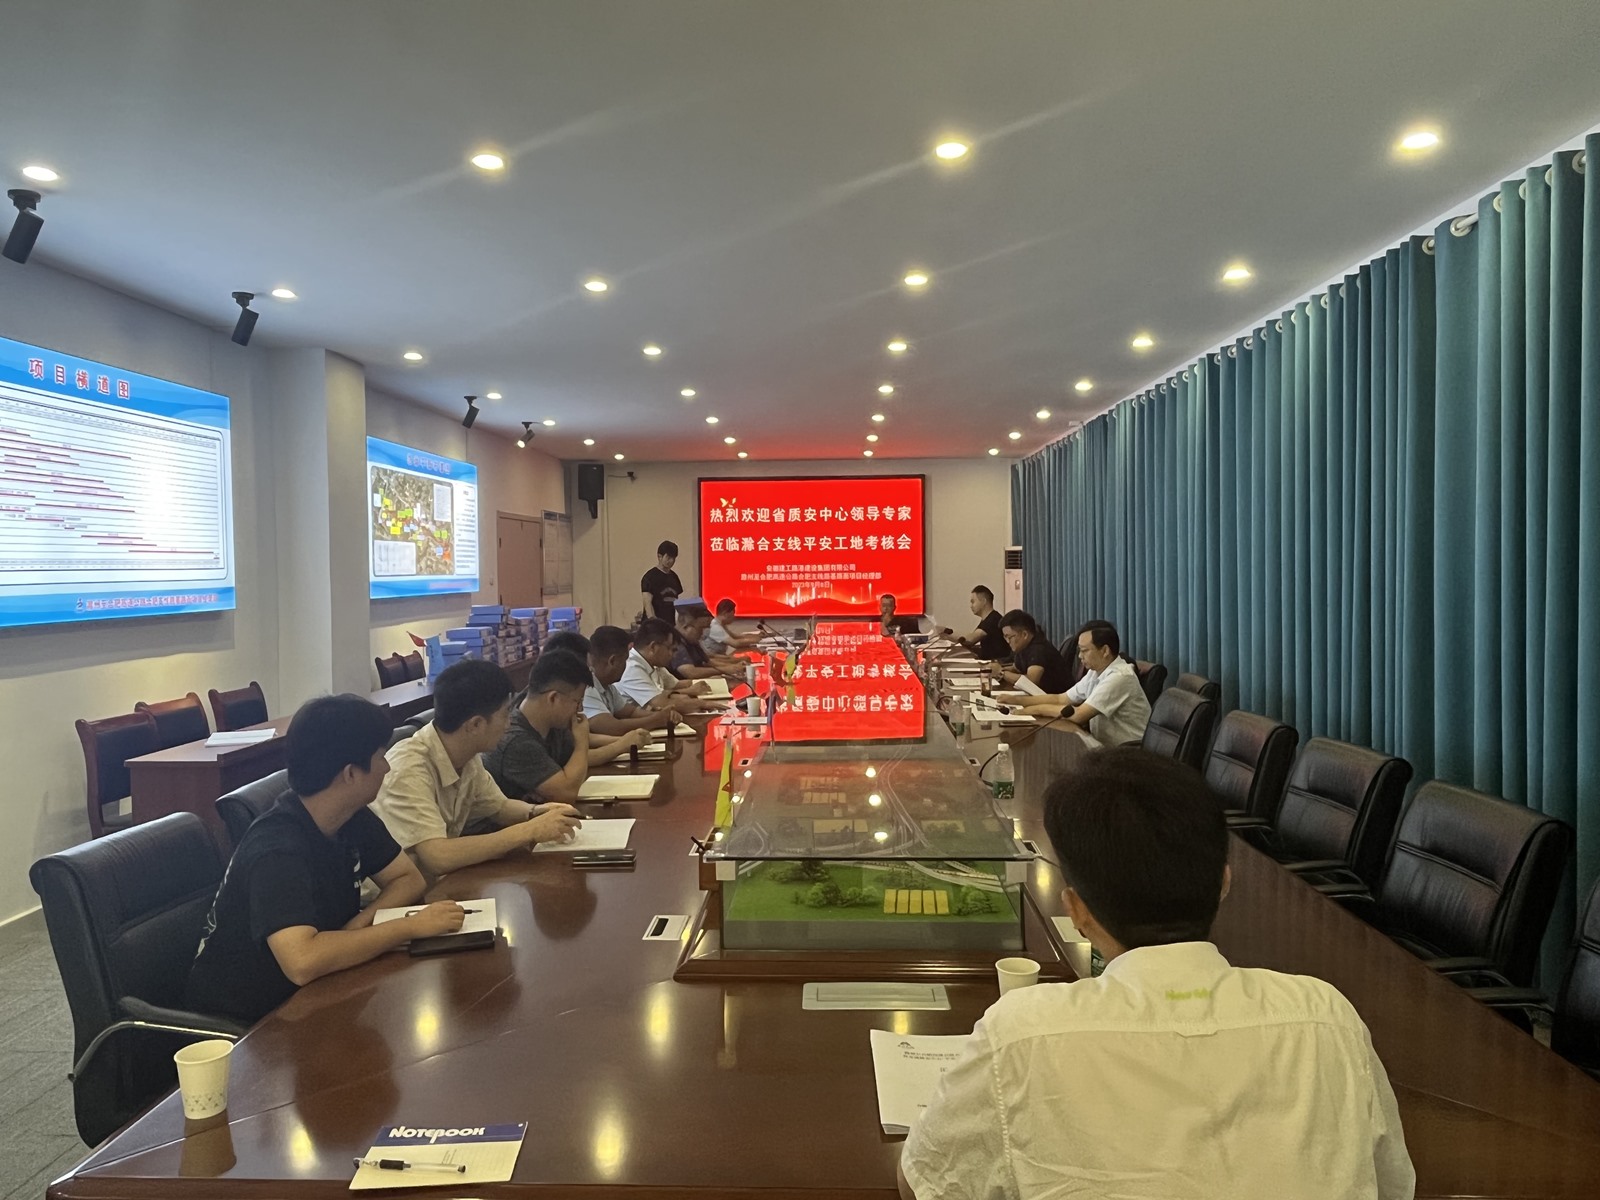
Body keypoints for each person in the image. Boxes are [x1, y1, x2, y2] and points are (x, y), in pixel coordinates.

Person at [898, 749, 1415, 1200]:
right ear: (1224, 883)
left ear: (1077, 912)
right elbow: (1392, 1185)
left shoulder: (1020, 1035)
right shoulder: (1327, 1017)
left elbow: (923, 1182)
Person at [185, 695, 466, 1025]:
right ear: (351, 774)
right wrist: (408, 927)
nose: (387, 767)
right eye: (380, 757)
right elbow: (302, 962)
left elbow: (408, 879)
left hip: (315, 992)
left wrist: (356, 928)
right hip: (246, 1024)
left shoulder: (349, 815)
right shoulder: (276, 848)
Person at [371, 659, 581, 880]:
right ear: (475, 725)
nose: (509, 724)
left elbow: (498, 807)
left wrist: (536, 812)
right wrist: (529, 830)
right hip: (396, 893)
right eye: (505, 714)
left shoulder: (466, 754)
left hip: (440, 883)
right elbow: (437, 856)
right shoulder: (408, 769)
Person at [483, 650, 649, 801]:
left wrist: (622, 742)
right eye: (577, 701)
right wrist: (583, 740)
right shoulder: (516, 740)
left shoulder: (552, 722)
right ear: (554, 698)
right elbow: (566, 793)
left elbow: (579, 759)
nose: (580, 709)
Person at [1019, 619, 1153, 746]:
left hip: (1127, 752)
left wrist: (1034, 710)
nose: (1079, 656)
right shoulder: (1096, 671)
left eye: (1084, 650)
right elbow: (1062, 699)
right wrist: (1016, 701)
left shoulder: (1120, 677)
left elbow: (1079, 715)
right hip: (1101, 745)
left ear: (1105, 651)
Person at [582, 624, 685, 734]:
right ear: (612, 661)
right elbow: (611, 727)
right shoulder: (586, 686)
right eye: (625, 660)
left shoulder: (608, 686)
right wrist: (655, 720)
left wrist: (663, 715)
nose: (627, 665)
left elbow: (630, 712)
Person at [618, 617, 708, 706]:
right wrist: (703, 702)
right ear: (653, 647)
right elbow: (660, 703)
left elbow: (676, 684)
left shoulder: (655, 664)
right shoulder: (631, 668)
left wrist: (707, 683)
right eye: (671, 649)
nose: (673, 655)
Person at [997, 609, 1073, 692]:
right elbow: (1016, 668)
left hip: (1056, 696)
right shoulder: (1024, 646)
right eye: (1005, 637)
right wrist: (994, 669)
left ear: (1025, 634)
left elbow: (1031, 682)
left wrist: (1001, 673)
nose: (1008, 641)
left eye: (1009, 637)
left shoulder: (1039, 649)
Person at [671, 603, 745, 680]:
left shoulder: (692, 642)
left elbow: (708, 662)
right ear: (686, 627)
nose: (703, 634)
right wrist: (725, 669)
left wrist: (733, 667)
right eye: (701, 628)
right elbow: (691, 672)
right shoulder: (675, 643)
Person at [939, 585, 1006, 659]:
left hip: (996, 663)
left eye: (973, 602)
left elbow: (969, 640)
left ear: (983, 601)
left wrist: (945, 632)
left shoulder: (993, 620)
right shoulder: (987, 619)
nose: (971, 606)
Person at [640, 540, 683, 623]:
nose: (671, 561)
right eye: (668, 557)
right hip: (653, 625)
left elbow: (677, 603)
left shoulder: (674, 577)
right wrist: (654, 622)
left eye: (673, 558)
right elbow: (648, 604)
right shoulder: (649, 577)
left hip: (670, 623)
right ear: (659, 556)